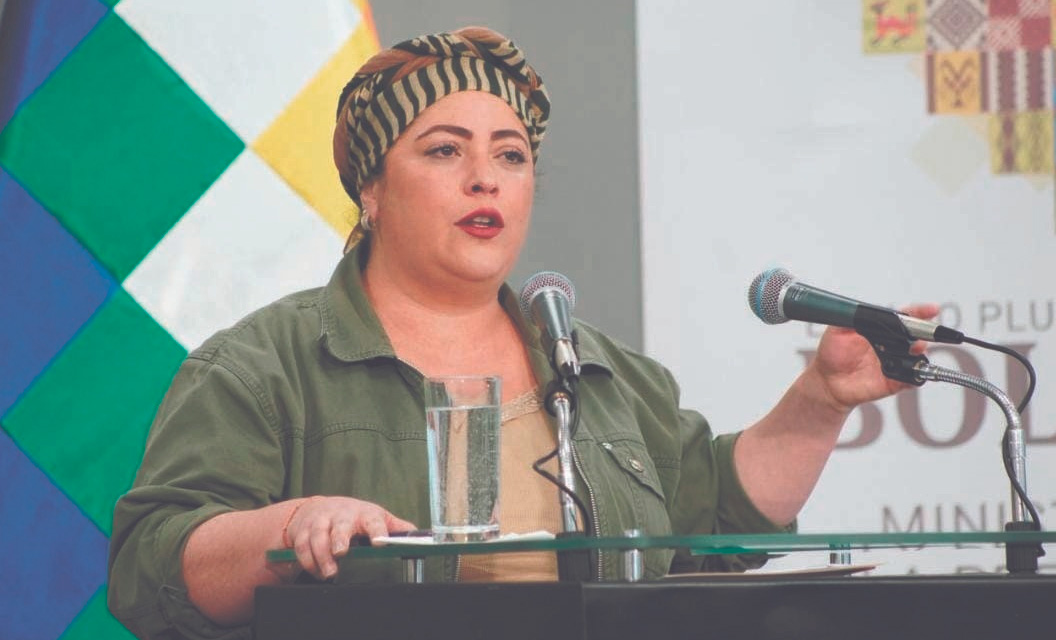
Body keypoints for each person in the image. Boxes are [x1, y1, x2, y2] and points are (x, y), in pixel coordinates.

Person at [106, 26, 937, 639]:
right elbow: (150, 566)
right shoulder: (265, 366)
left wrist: (821, 401)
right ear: (371, 190)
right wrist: (287, 530)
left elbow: (714, 519)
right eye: (443, 151)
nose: (484, 178)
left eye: (510, 155)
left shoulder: (597, 370)